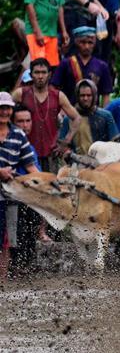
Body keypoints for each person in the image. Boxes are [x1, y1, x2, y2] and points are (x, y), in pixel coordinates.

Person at [0, 92, 40, 277]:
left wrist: (49, 184)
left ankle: (2, 281)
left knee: (7, 239)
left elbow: (30, 165)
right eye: (1, 108)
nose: (4, 112)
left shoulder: (18, 135)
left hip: (9, 195)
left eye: (7, 108)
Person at [12, 58, 79, 168]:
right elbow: (4, 113)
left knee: (51, 183)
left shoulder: (58, 95)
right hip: (25, 152)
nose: (40, 76)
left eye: (43, 72)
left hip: (51, 154)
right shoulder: (21, 93)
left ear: (49, 74)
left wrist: (65, 142)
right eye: (36, 72)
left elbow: (77, 118)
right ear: (31, 74)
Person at [51, 25, 113, 106]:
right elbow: (53, 88)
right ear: (76, 42)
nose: (86, 46)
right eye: (83, 42)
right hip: (70, 113)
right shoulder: (66, 63)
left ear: (94, 44)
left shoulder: (102, 66)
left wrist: (103, 115)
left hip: (93, 114)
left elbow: (106, 95)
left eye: (90, 43)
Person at [58, 79, 119, 155]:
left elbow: (115, 143)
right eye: (82, 95)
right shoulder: (69, 118)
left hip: (101, 162)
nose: (85, 98)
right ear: (77, 96)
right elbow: (62, 145)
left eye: (89, 95)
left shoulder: (106, 116)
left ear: (94, 96)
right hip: (76, 163)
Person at [24, 0, 68, 68]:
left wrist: (64, 31)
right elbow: (29, 6)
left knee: (52, 65)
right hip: (36, 32)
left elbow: (60, 8)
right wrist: (37, 31)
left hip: (52, 32)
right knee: (38, 64)